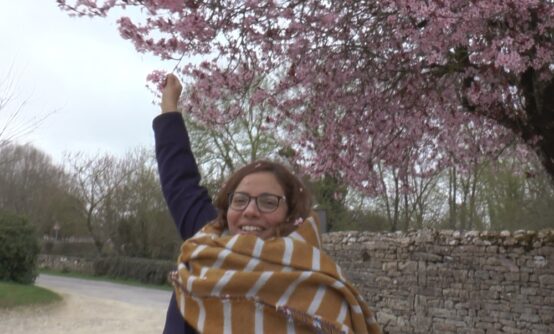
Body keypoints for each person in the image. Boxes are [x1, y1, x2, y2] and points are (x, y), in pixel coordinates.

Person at [153, 74, 381, 333]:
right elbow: (179, 181)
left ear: (289, 213)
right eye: (240, 200)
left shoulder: (318, 285)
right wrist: (169, 108)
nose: (250, 211)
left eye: (268, 202)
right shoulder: (207, 241)